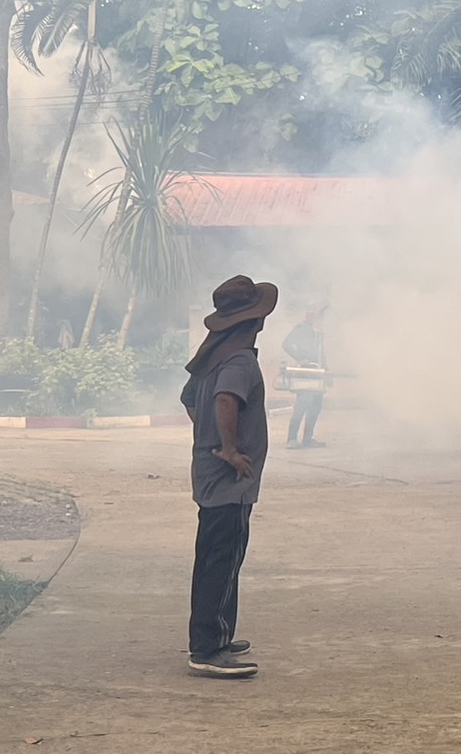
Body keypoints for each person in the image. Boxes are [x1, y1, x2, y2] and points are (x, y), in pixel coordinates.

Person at [179, 274, 278, 679]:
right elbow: (225, 401)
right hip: (228, 480)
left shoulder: (213, 357)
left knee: (214, 557)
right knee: (223, 558)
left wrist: (209, 438)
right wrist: (231, 449)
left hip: (209, 472)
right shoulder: (239, 361)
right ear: (254, 320)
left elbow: (189, 400)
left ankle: (217, 633)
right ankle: (207, 649)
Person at [282, 305, 327, 448]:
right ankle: (292, 439)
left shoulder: (318, 332)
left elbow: (321, 354)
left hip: (318, 373)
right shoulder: (301, 328)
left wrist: (327, 372)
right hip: (306, 372)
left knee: (316, 406)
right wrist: (301, 358)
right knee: (302, 405)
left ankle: (308, 438)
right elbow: (286, 344)